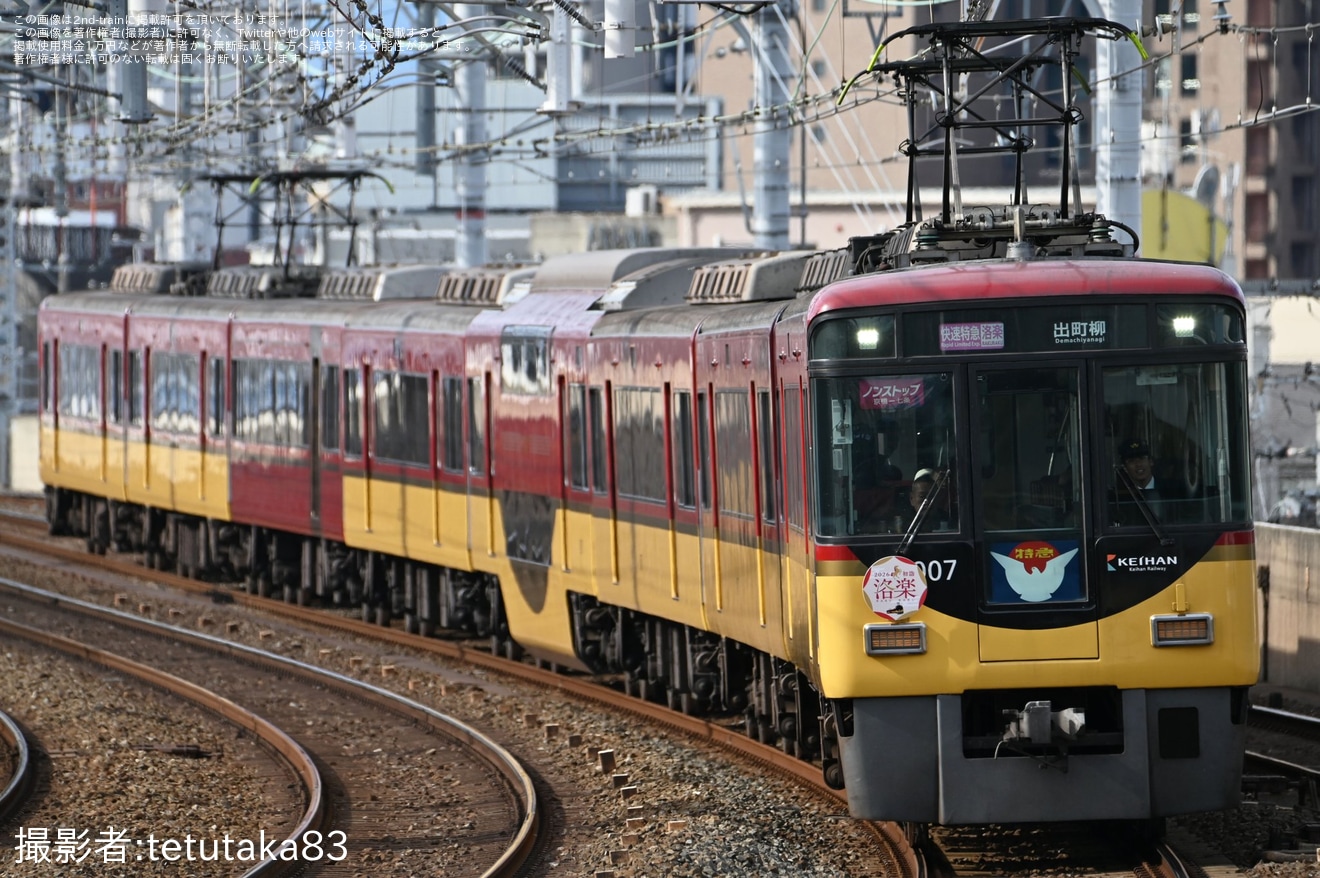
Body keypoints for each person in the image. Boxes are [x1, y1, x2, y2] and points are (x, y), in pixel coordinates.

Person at [1112, 439, 1187, 524]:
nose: (1138, 464)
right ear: (1125, 468)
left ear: (1151, 462)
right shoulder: (1119, 497)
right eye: (1131, 461)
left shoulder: (1173, 489)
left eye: (1142, 458)